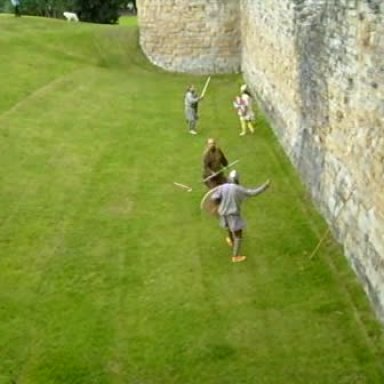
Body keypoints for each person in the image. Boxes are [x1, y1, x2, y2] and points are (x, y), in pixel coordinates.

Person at [211, 170, 270, 263]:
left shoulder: (223, 187)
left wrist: (216, 207)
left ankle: (231, 241)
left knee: (229, 228)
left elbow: (214, 197)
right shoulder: (239, 189)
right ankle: (235, 256)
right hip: (233, 215)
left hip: (223, 214)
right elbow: (253, 193)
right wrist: (265, 186)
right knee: (238, 234)